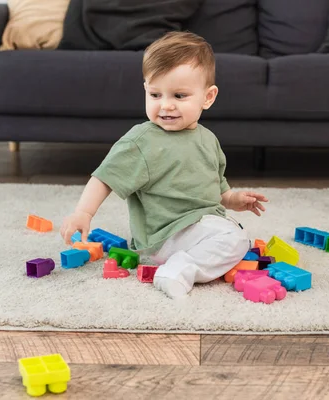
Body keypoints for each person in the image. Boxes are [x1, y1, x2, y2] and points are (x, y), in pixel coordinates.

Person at [60, 31, 268, 298]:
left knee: (234, 232)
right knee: (235, 239)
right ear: (145, 89)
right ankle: (176, 270)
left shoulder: (208, 139)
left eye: (179, 96)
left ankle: (192, 257)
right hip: (164, 236)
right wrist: (83, 213)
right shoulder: (141, 141)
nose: (166, 106)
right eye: (156, 94)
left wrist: (233, 198)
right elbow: (105, 177)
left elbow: (213, 189)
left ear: (208, 97)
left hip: (197, 224)